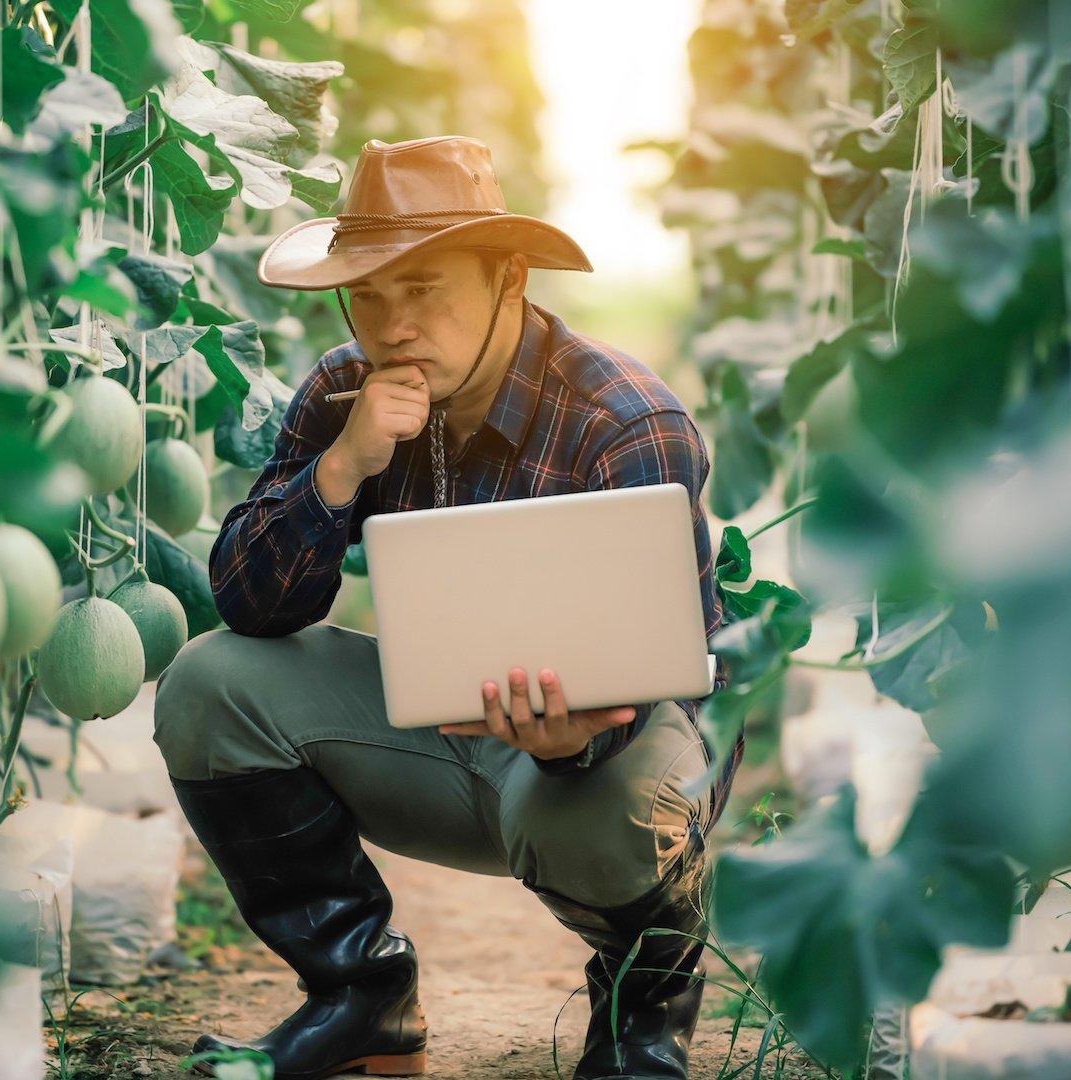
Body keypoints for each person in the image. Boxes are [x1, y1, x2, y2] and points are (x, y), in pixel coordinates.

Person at [152, 135, 737, 1080]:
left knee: (605, 805)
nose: (393, 326)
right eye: (369, 294)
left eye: (424, 288)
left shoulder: (627, 422)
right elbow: (247, 604)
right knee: (206, 683)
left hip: (606, 765)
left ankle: (643, 1015)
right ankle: (363, 997)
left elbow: (676, 683)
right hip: (437, 743)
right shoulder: (348, 389)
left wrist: (570, 743)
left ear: (509, 276)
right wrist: (341, 467)